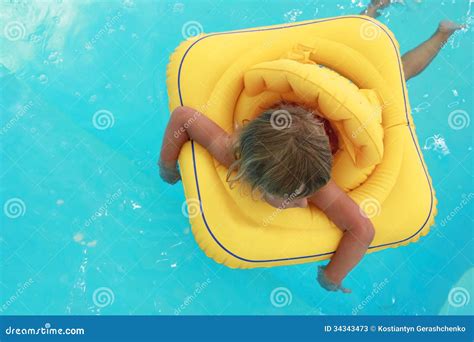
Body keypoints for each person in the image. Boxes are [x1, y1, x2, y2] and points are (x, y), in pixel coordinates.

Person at [159, 0, 463, 292]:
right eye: (292, 198)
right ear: (245, 167)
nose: (303, 205)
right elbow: (183, 118)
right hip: (305, 96)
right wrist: (167, 167)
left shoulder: (316, 182)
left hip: (346, 102)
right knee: (363, 53)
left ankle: (439, 31)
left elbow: (361, 230)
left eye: (300, 197)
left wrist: (331, 276)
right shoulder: (231, 150)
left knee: (398, 73)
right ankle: (373, 10)